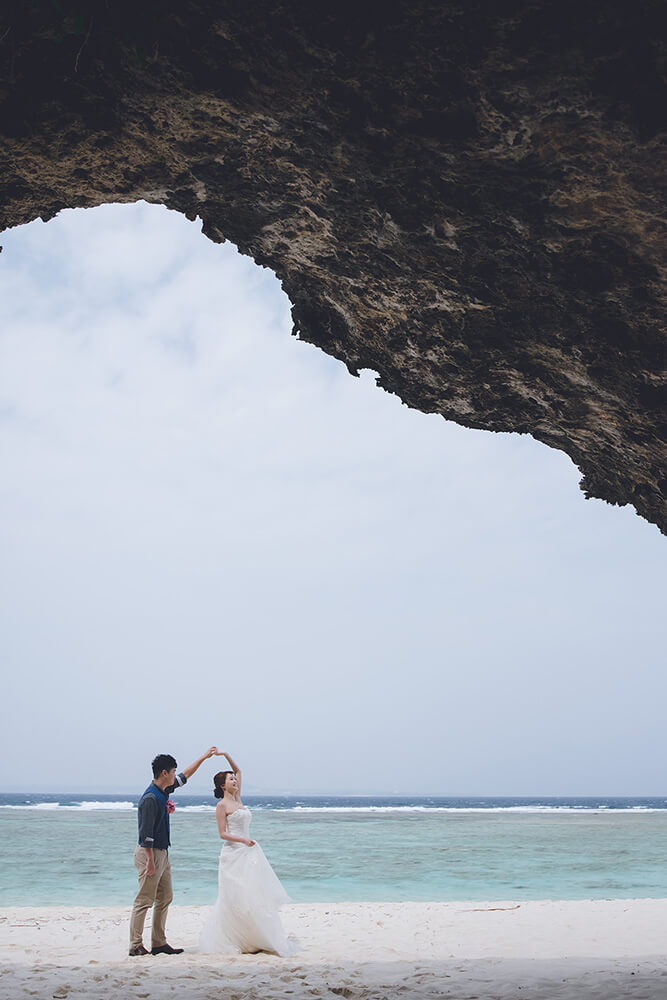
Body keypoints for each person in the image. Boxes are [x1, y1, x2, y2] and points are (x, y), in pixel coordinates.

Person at [199, 750, 296, 956]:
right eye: (230, 779)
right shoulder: (222, 805)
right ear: (222, 785)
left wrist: (225, 754)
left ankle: (256, 936)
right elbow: (222, 834)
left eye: (234, 779)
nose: (234, 780)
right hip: (233, 854)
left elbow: (239, 769)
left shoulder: (238, 798)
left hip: (249, 853)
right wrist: (243, 840)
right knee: (235, 896)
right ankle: (238, 938)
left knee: (253, 894)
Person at [129, 747, 216, 957]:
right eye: (172, 771)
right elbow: (145, 833)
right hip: (149, 853)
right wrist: (150, 861)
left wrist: (204, 757)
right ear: (164, 773)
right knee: (144, 900)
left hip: (162, 852)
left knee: (165, 896)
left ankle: (159, 943)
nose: (175, 774)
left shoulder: (163, 791)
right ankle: (135, 945)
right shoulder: (151, 797)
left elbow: (185, 776)